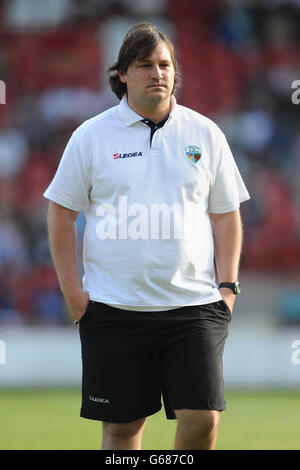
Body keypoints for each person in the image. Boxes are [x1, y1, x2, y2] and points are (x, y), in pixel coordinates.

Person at [44, 22, 250, 450]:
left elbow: (226, 215)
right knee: (122, 430)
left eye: (165, 64)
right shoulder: (91, 136)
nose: (157, 73)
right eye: (144, 65)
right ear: (122, 73)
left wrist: (227, 287)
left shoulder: (205, 133)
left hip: (194, 307)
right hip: (114, 308)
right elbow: (61, 214)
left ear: (175, 72)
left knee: (204, 418)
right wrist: (73, 295)